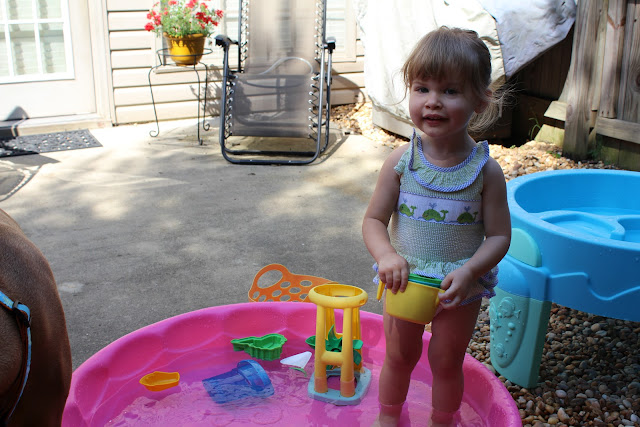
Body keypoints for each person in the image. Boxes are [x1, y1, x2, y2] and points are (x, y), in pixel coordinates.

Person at [362, 27, 511, 427]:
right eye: (422, 88)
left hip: (459, 284)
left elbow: (499, 235)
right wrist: (386, 255)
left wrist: (471, 270)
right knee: (399, 355)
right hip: (404, 278)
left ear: (480, 100)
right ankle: (388, 418)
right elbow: (374, 220)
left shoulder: (486, 171)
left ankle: (442, 421)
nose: (433, 101)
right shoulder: (401, 161)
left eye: (450, 91)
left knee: (447, 361)